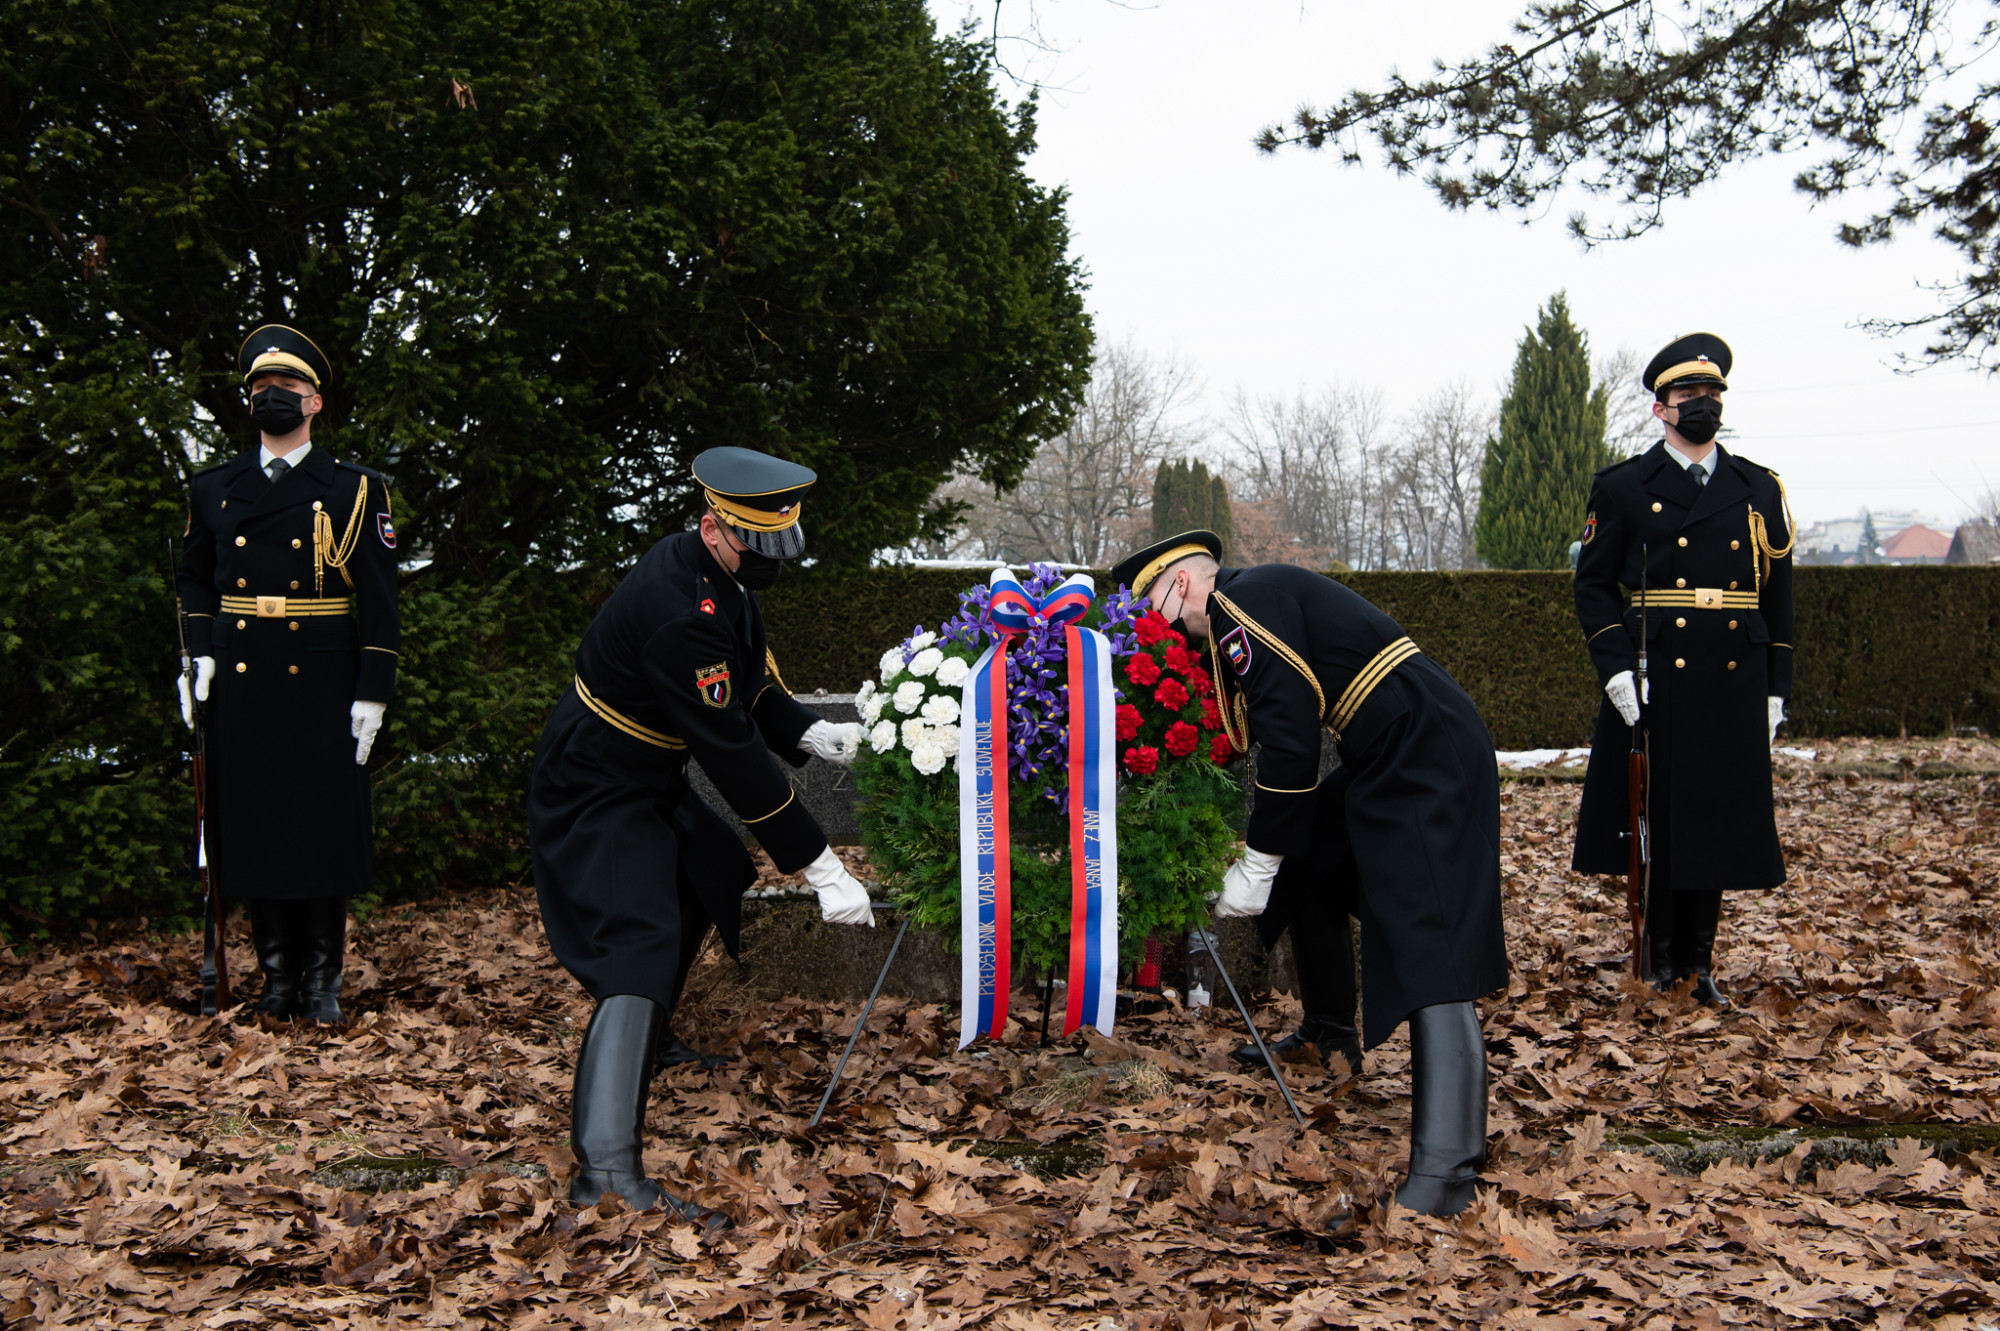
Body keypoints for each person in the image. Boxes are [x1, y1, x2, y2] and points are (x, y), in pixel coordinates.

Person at [1111, 533, 1508, 1219]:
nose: (1154, 626)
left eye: (1151, 605)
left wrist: (1259, 861)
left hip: (1423, 749)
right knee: (1311, 856)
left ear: (1179, 586)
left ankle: (1449, 1169)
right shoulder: (1247, 605)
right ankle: (1329, 1031)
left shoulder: (1239, 604)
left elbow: (1291, 740)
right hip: (1391, 746)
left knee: (1432, 940)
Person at [528, 445, 870, 1223]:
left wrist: (810, 731)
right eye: (758, 541)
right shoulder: (682, 609)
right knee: (638, 935)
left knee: (706, 870)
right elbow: (731, 752)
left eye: (781, 538)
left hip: (642, 768)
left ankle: (650, 1038)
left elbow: (748, 681)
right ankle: (605, 1172)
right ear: (715, 527)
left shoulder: (715, 574)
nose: (771, 556)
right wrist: (820, 865)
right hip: (594, 778)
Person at [175, 324, 399, 1025]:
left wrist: (373, 692)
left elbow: (381, 600)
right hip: (244, 678)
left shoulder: (355, 489)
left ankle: (322, 983)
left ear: (315, 401)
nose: (273, 396)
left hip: (324, 678)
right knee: (258, 825)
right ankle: (277, 980)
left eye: (288, 386)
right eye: (261, 388)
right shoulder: (215, 487)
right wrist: (200, 654)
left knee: (320, 827)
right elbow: (193, 579)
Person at [1571, 334, 1794, 1007]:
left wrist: (1776, 689)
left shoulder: (1758, 487)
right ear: (1660, 409)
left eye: (1712, 394)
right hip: (1657, 674)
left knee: (1717, 818)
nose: (1703, 404)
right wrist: (1615, 667)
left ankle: (1699, 965)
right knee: (1658, 818)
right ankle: (1658, 957)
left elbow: (1779, 597)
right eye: (1688, 395)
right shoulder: (1623, 486)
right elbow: (1593, 585)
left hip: (1734, 675)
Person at [1233, 767, 1364, 1081]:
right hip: (1383, 756)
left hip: (1413, 760)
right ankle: (1329, 1033)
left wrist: (1259, 864)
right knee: (1311, 842)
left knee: (1307, 835)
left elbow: (1293, 754)